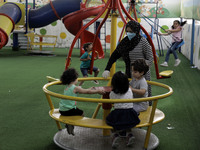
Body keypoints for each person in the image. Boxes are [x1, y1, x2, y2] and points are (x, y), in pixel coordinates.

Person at [102, 20, 153, 97]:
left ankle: (146, 107)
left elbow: (150, 58)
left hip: (142, 73)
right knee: (129, 94)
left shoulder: (143, 41)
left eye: (131, 31)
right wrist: (107, 69)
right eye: (127, 31)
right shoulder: (125, 42)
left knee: (143, 93)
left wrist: (140, 69)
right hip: (130, 72)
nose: (129, 33)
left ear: (136, 31)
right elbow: (114, 55)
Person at [59, 68, 105, 135]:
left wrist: (91, 88)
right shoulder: (75, 88)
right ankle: (72, 124)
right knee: (81, 113)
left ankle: (69, 124)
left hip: (62, 110)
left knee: (77, 110)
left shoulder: (68, 86)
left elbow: (85, 90)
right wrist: (97, 91)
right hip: (69, 110)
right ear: (74, 79)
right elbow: (87, 92)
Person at [106, 71, 140, 148]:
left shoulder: (112, 93)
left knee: (110, 121)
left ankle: (115, 135)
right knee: (128, 123)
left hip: (119, 114)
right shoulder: (129, 90)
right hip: (131, 114)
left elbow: (113, 105)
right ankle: (130, 134)